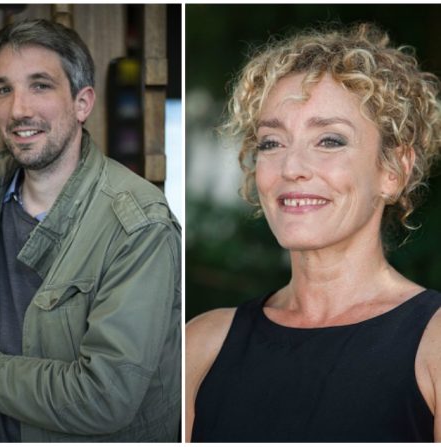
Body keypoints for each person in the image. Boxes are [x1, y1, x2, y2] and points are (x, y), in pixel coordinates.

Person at [0, 18, 180, 442]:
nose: (19, 110)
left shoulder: (139, 225)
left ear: (82, 102)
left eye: (40, 85)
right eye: (4, 89)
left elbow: (105, 397)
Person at [186, 23, 441, 442]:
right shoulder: (202, 345)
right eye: (272, 143)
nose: (291, 167)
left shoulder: (433, 344)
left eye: (329, 140)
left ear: (394, 170)